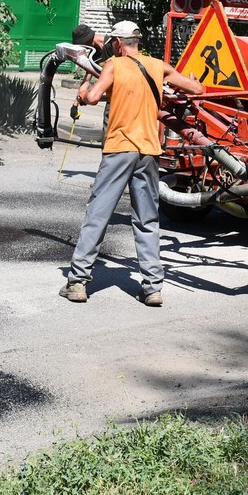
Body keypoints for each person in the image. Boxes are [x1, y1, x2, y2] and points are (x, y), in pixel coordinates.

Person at [59, 20, 205, 307]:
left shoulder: (113, 65)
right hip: (149, 152)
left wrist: (84, 91)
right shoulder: (158, 65)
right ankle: (152, 288)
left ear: (117, 43)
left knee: (97, 215)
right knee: (148, 220)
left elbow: (92, 97)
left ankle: (77, 282)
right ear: (137, 41)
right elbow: (196, 89)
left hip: (119, 150)